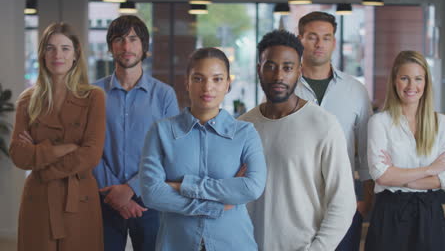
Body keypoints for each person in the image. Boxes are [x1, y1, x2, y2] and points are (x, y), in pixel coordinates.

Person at [140, 47, 266, 251]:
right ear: (187, 83)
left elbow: (252, 187)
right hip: (177, 244)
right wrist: (215, 205)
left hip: (234, 243)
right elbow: (152, 193)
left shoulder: (245, 133)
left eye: (217, 79)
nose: (208, 87)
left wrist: (182, 185)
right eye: (198, 78)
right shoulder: (161, 131)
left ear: (228, 85)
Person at [240, 30, 356, 251]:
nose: (278, 76)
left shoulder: (323, 124)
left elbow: (343, 202)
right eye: (270, 66)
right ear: (259, 70)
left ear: (299, 71)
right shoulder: (243, 126)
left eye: (288, 67)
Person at [9, 22, 105, 251]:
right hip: (39, 199)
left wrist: (40, 158)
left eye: (65, 48)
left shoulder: (93, 97)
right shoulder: (27, 99)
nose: (57, 55)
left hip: (79, 198)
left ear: (75, 54)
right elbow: (19, 156)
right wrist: (63, 148)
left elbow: (91, 154)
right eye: (50, 48)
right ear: (42, 54)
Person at [93, 15, 179, 251]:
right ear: (111, 46)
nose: (127, 46)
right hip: (103, 198)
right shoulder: (93, 94)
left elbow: (169, 151)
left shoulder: (164, 95)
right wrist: (115, 193)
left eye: (133, 39)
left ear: (144, 47)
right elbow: (88, 147)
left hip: (150, 199)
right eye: (119, 39)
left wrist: (131, 188)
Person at [295, 11, 374, 250]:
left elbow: (367, 153)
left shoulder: (355, 91)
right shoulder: (285, 88)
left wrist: (365, 203)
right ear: (299, 39)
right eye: (312, 37)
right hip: (295, 205)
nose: (319, 44)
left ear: (334, 42)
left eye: (326, 37)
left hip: (343, 204)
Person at [365, 51, 445, 251]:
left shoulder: (442, 124)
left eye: (418, 79)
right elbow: (380, 175)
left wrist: (399, 176)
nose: (411, 86)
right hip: (390, 213)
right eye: (404, 78)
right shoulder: (380, 122)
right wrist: (429, 169)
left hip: (429, 213)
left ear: (426, 83)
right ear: (395, 81)